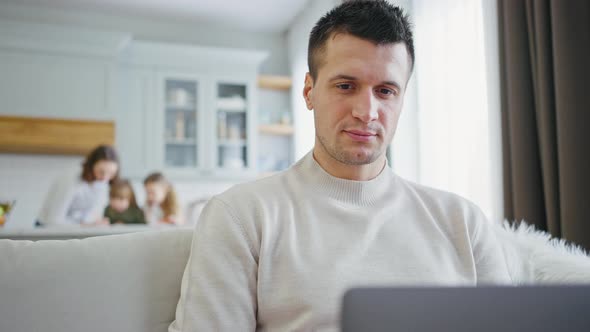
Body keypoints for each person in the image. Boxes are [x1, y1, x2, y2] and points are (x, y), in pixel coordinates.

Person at [169, 1, 511, 331]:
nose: (367, 111)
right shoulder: (241, 216)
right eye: (346, 86)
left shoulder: (463, 223)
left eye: (386, 91)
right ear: (309, 91)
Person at [37, 145, 119, 226]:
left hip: (74, 230)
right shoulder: (70, 179)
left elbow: (91, 215)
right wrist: (85, 226)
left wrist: (95, 223)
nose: (105, 178)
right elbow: (54, 221)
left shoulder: (102, 183)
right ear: (91, 165)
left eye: (111, 173)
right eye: (101, 171)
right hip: (46, 229)